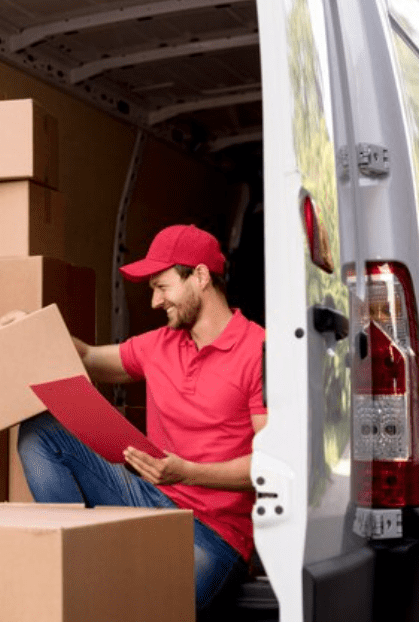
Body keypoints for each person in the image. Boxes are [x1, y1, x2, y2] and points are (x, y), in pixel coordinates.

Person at [16, 224, 267, 618]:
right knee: (42, 430)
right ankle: (69, 561)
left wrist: (187, 473)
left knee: (145, 610)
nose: (153, 301)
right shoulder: (161, 344)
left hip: (215, 535)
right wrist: (31, 328)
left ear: (200, 277)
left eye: (162, 287)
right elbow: (86, 358)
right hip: (148, 501)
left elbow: (267, 467)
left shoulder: (259, 350)